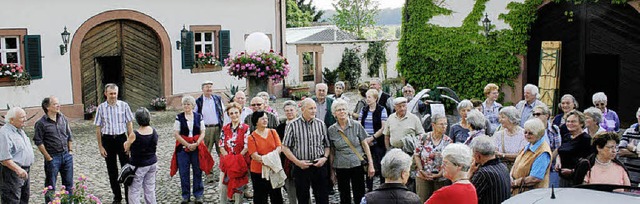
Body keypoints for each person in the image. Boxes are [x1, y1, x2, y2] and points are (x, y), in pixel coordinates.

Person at [283, 98, 331, 204]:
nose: (314, 111)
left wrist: (325, 158)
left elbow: (327, 145)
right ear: (303, 109)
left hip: (319, 165)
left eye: (315, 108)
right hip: (301, 166)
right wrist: (297, 162)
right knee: (303, 198)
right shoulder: (293, 125)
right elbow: (285, 147)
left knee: (322, 197)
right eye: (311, 108)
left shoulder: (321, 124)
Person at [328, 99, 375, 204]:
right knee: (344, 195)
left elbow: (365, 145)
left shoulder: (356, 125)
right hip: (341, 165)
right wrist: (332, 172)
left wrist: (371, 164)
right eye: (338, 110)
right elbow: (332, 151)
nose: (342, 112)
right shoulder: (331, 130)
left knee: (359, 193)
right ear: (334, 113)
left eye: (344, 109)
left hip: (357, 164)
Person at [169, 95, 214, 204]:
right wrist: (187, 144)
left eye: (188, 104)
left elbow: (203, 132)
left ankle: (198, 195)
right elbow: (176, 134)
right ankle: (185, 196)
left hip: (197, 147)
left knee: (197, 171)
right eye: (184, 104)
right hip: (183, 149)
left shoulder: (198, 116)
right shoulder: (179, 117)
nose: (186, 106)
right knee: (184, 173)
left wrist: (197, 143)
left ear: (193, 106)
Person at [94, 83, 134, 204]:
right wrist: (100, 146)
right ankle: (117, 196)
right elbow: (98, 128)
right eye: (110, 93)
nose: (113, 96)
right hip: (108, 140)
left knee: (126, 169)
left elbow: (129, 124)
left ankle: (129, 197)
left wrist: (130, 142)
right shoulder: (101, 108)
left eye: (115, 93)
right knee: (112, 170)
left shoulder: (124, 106)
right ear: (105, 94)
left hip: (122, 139)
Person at [33, 96, 74, 203]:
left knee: (69, 184)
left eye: (58, 103)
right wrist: (48, 157)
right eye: (55, 104)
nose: (58, 106)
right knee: (50, 185)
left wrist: (70, 151)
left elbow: (69, 135)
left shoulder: (62, 118)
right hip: (53, 157)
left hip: (66, 156)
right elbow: (38, 141)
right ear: (47, 107)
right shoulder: (41, 123)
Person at [414, 113, 452, 203]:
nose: (444, 126)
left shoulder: (448, 141)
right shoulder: (423, 138)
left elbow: (449, 160)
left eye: (445, 124)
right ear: (433, 125)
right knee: (423, 200)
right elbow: (416, 155)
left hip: (441, 177)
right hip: (423, 176)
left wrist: (440, 174)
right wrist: (421, 170)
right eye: (441, 124)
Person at [248, 111, 284, 204]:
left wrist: (269, 159)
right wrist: (268, 159)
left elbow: (279, 147)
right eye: (262, 119)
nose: (265, 120)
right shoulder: (251, 137)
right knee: (260, 196)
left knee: (276, 194)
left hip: (273, 169)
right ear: (256, 121)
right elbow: (254, 155)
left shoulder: (273, 132)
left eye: (266, 118)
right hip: (258, 171)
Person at [0, 107, 34, 204]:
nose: (25, 119)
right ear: (11, 120)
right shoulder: (4, 133)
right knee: (12, 200)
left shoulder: (20, 130)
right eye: (21, 117)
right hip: (13, 172)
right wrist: (18, 169)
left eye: (25, 116)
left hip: (24, 171)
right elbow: (4, 158)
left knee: (24, 199)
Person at [124, 108, 158, 204]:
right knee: (150, 189)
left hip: (138, 165)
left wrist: (126, 144)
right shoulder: (154, 131)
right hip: (152, 163)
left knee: (134, 190)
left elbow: (126, 147)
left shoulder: (135, 134)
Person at [510, 119, 552, 195]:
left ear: (538, 134)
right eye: (525, 132)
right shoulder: (530, 144)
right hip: (519, 192)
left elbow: (535, 178)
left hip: (531, 194)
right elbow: (516, 164)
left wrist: (515, 183)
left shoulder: (543, 152)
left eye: (530, 133)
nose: (527, 135)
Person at [194, 80, 225, 183]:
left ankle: (224, 172)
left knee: (222, 150)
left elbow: (223, 112)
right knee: (207, 152)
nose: (209, 89)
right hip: (206, 129)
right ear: (202, 89)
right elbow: (195, 116)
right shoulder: (198, 101)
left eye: (210, 87)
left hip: (218, 127)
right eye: (206, 87)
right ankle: (209, 174)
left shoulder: (217, 99)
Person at [219, 102, 249, 204]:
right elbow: (221, 145)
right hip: (227, 161)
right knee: (223, 186)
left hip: (240, 161)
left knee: (238, 188)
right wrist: (228, 159)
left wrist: (237, 159)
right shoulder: (225, 128)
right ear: (228, 115)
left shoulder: (245, 128)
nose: (234, 115)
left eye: (236, 112)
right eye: (231, 113)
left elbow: (246, 146)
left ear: (240, 113)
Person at [360, 89, 389, 192]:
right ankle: (369, 189)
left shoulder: (381, 109)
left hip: (378, 142)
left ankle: (382, 188)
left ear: (375, 98)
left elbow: (383, 127)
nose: (367, 99)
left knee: (380, 165)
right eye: (366, 97)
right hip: (365, 142)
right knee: (368, 165)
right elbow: (359, 125)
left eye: (369, 97)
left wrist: (372, 138)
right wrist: (364, 139)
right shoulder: (363, 110)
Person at [469, 136, 511, 204]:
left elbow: (468, 196)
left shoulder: (484, 173)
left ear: (477, 155)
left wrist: (469, 173)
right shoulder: (503, 166)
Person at [555, 110, 592, 187]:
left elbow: (589, 161)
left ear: (581, 123)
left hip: (577, 179)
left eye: (573, 122)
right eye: (568, 121)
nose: (570, 124)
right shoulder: (566, 136)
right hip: (563, 177)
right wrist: (558, 161)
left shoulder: (586, 139)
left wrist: (573, 171)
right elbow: (561, 152)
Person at [531, 105, 562, 187]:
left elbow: (558, 147)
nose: (535, 117)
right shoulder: (531, 130)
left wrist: (549, 159)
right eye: (534, 114)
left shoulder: (554, 129)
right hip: (536, 167)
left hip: (552, 167)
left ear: (546, 115)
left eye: (538, 114)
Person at [275, 100, 299, 204]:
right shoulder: (280, 127)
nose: (289, 112)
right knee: (290, 189)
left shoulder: (302, 124)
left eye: (291, 110)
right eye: (287, 110)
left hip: (300, 158)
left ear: (296, 111)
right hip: (286, 161)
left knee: (303, 189)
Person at [618, 107, 640, 186]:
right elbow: (621, 152)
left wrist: (632, 148)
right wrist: (638, 153)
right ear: (637, 117)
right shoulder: (629, 131)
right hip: (629, 174)